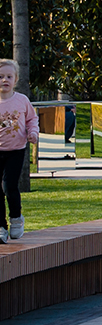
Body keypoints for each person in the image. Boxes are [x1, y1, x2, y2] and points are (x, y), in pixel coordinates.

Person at [0, 60, 34, 241]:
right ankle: (1, 226)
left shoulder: (22, 100)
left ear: (16, 79)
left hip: (15, 150)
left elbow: (31, 119)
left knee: (9, 186)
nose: (4, 80)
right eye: (0, 77)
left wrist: (33, 133)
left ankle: (16, 219)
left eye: (8, 77)